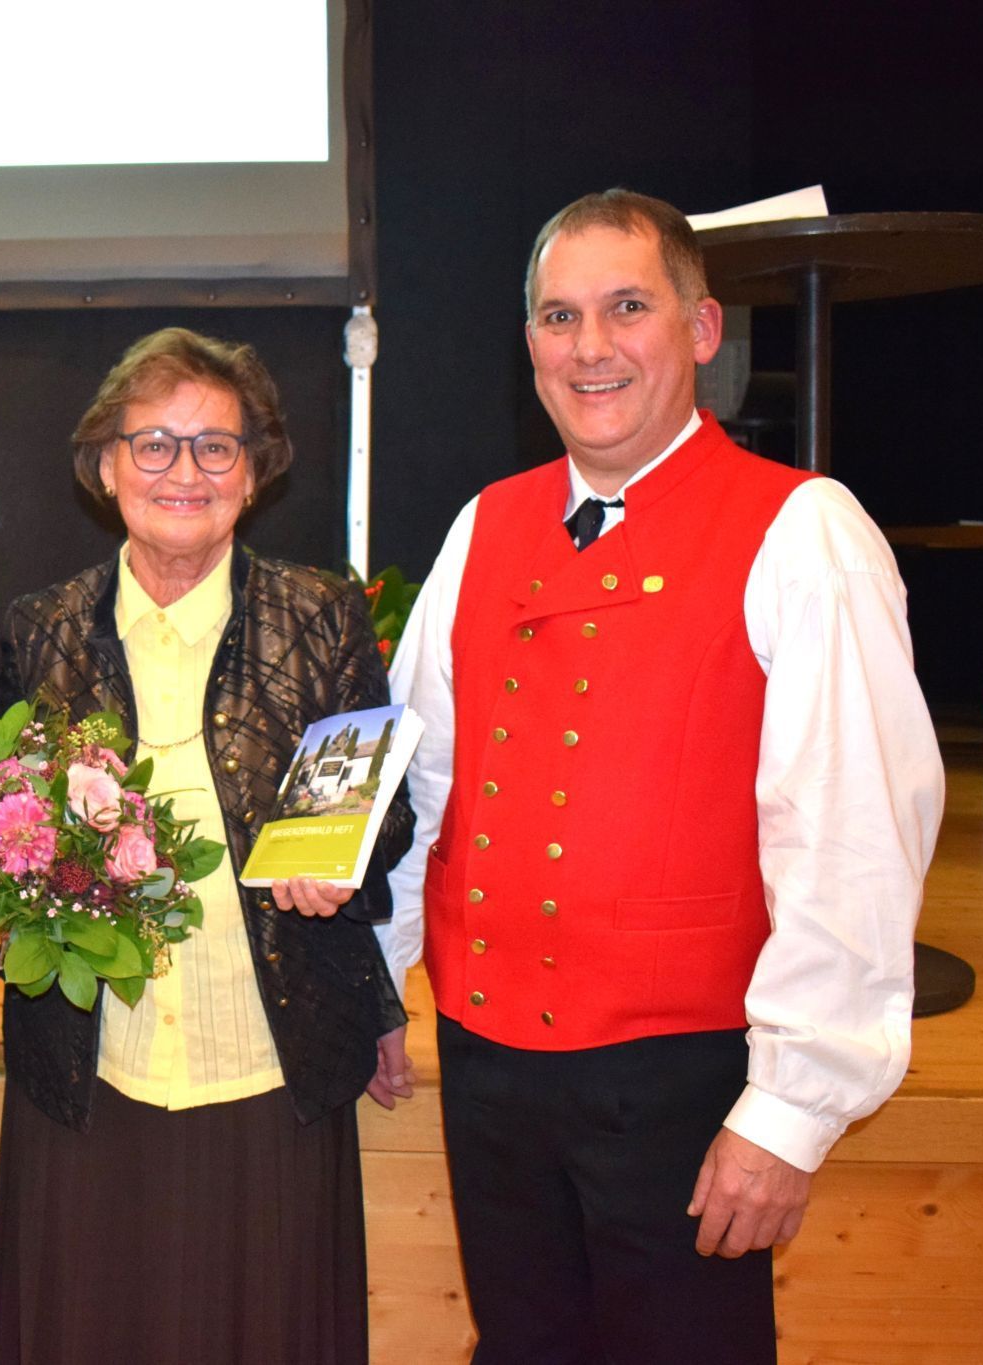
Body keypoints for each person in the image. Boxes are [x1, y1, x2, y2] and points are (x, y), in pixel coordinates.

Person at [384, 188, 945, 1362]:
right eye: (556, 316)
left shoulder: (800, 530)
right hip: (488, 1058)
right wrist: (375, 981)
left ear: (698, 332)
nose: (588, 347)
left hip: (681, 1076)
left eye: (624, 308)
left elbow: (851, 831)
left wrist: (790, 1111)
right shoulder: (481, 526)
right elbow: (417, 781)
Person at [0, 327, 415, 1364]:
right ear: (104, 464)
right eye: (154, 444)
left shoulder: (318, 619)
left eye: (215, 447)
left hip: (268, 1066)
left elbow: (382, 814)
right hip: (91, 1073)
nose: (184, 472)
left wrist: (344, 864)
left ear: (254, 472)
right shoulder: (37, 630)